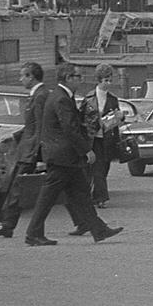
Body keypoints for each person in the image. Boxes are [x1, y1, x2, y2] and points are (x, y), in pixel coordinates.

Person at [23, 64, 123, 246]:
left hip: (65, 157)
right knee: (48, 197)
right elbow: (69, 128)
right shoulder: (61, 98)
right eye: (78, 76)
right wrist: (86, 150)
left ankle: (98, 229)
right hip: (62, 157)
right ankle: (33, 234)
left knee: (82, 193)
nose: (80, 80)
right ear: (68, 78)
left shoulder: (62, 96)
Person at [0, 62, 76, 238]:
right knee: (64, 187)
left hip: (33, 152)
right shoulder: (36, 95)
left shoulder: (41, 96)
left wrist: (36, 152)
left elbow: (43, 125)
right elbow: (31, 125)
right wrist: (15, 137)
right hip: (30, 149)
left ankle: (8, 225)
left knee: (20, 188)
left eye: (22, 76)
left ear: (31, 77)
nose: (20, 79)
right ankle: (83, 221)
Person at [81, 63, 123, 207]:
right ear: (99, 80)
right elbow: (81, 118)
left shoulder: (112, 99)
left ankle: (94, 195)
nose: (108, 83)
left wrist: (119, 117)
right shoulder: (89, 98)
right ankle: (101, 198)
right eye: (106, 80)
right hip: (93, 138)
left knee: (104, 168)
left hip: (107, 138)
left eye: (110, 80)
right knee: (97, 169)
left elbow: (117, 119)